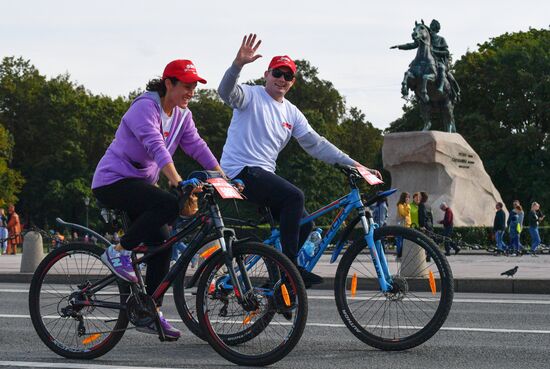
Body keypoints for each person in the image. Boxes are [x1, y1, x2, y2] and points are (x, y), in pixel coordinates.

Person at [217, 34, 380, 287]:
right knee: (295, 196)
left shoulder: (291, 112)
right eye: (277, 73)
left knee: (305, 224)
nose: (282, 79)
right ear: (266, 74)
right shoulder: (251, 96)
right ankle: (290, 271)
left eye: (288, 76)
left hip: (262, 175)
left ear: (292, 82)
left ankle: (277, 287)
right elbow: (224, 92)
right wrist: (237, 65)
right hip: (240, 172)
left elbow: (317, 144)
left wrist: (355, 164)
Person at [92, 59, 223, 340]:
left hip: (139, 186)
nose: (191, 91)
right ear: (168, 84)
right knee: (166, 203)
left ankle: (147, 312)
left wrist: (222, 175)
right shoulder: (145, 107)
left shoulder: (182, 115)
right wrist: (176, 181)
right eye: (186, 86)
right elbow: (156, 145)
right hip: (112, 181)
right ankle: (119, 251)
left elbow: (196, 145)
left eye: (194, 87)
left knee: (163, 245)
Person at [395, 192, 411, 257]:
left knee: (405, 240)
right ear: (403, 197)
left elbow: (409, 216)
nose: (408, 199)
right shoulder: (400, 205)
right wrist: (407, 206)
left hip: (407, 225)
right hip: (402, 225)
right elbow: (404, 214)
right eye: (406, 197)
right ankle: (399, 253)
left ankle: (403, 253)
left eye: (408, 197)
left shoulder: (407, 205)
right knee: (400, 239)